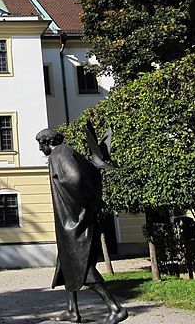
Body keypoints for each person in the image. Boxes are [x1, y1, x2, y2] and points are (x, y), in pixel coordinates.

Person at [36, 128, 127, 324]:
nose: (39, 149)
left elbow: (74, 178)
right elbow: (89, 170)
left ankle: (115, 308)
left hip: (73, 221)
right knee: (67, 263)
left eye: (40, 144)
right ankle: (72, 311)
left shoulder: (58, 154)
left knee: (82, 266)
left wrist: (80, 203)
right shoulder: (66, 152)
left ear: (46, 142)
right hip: (69, 220)